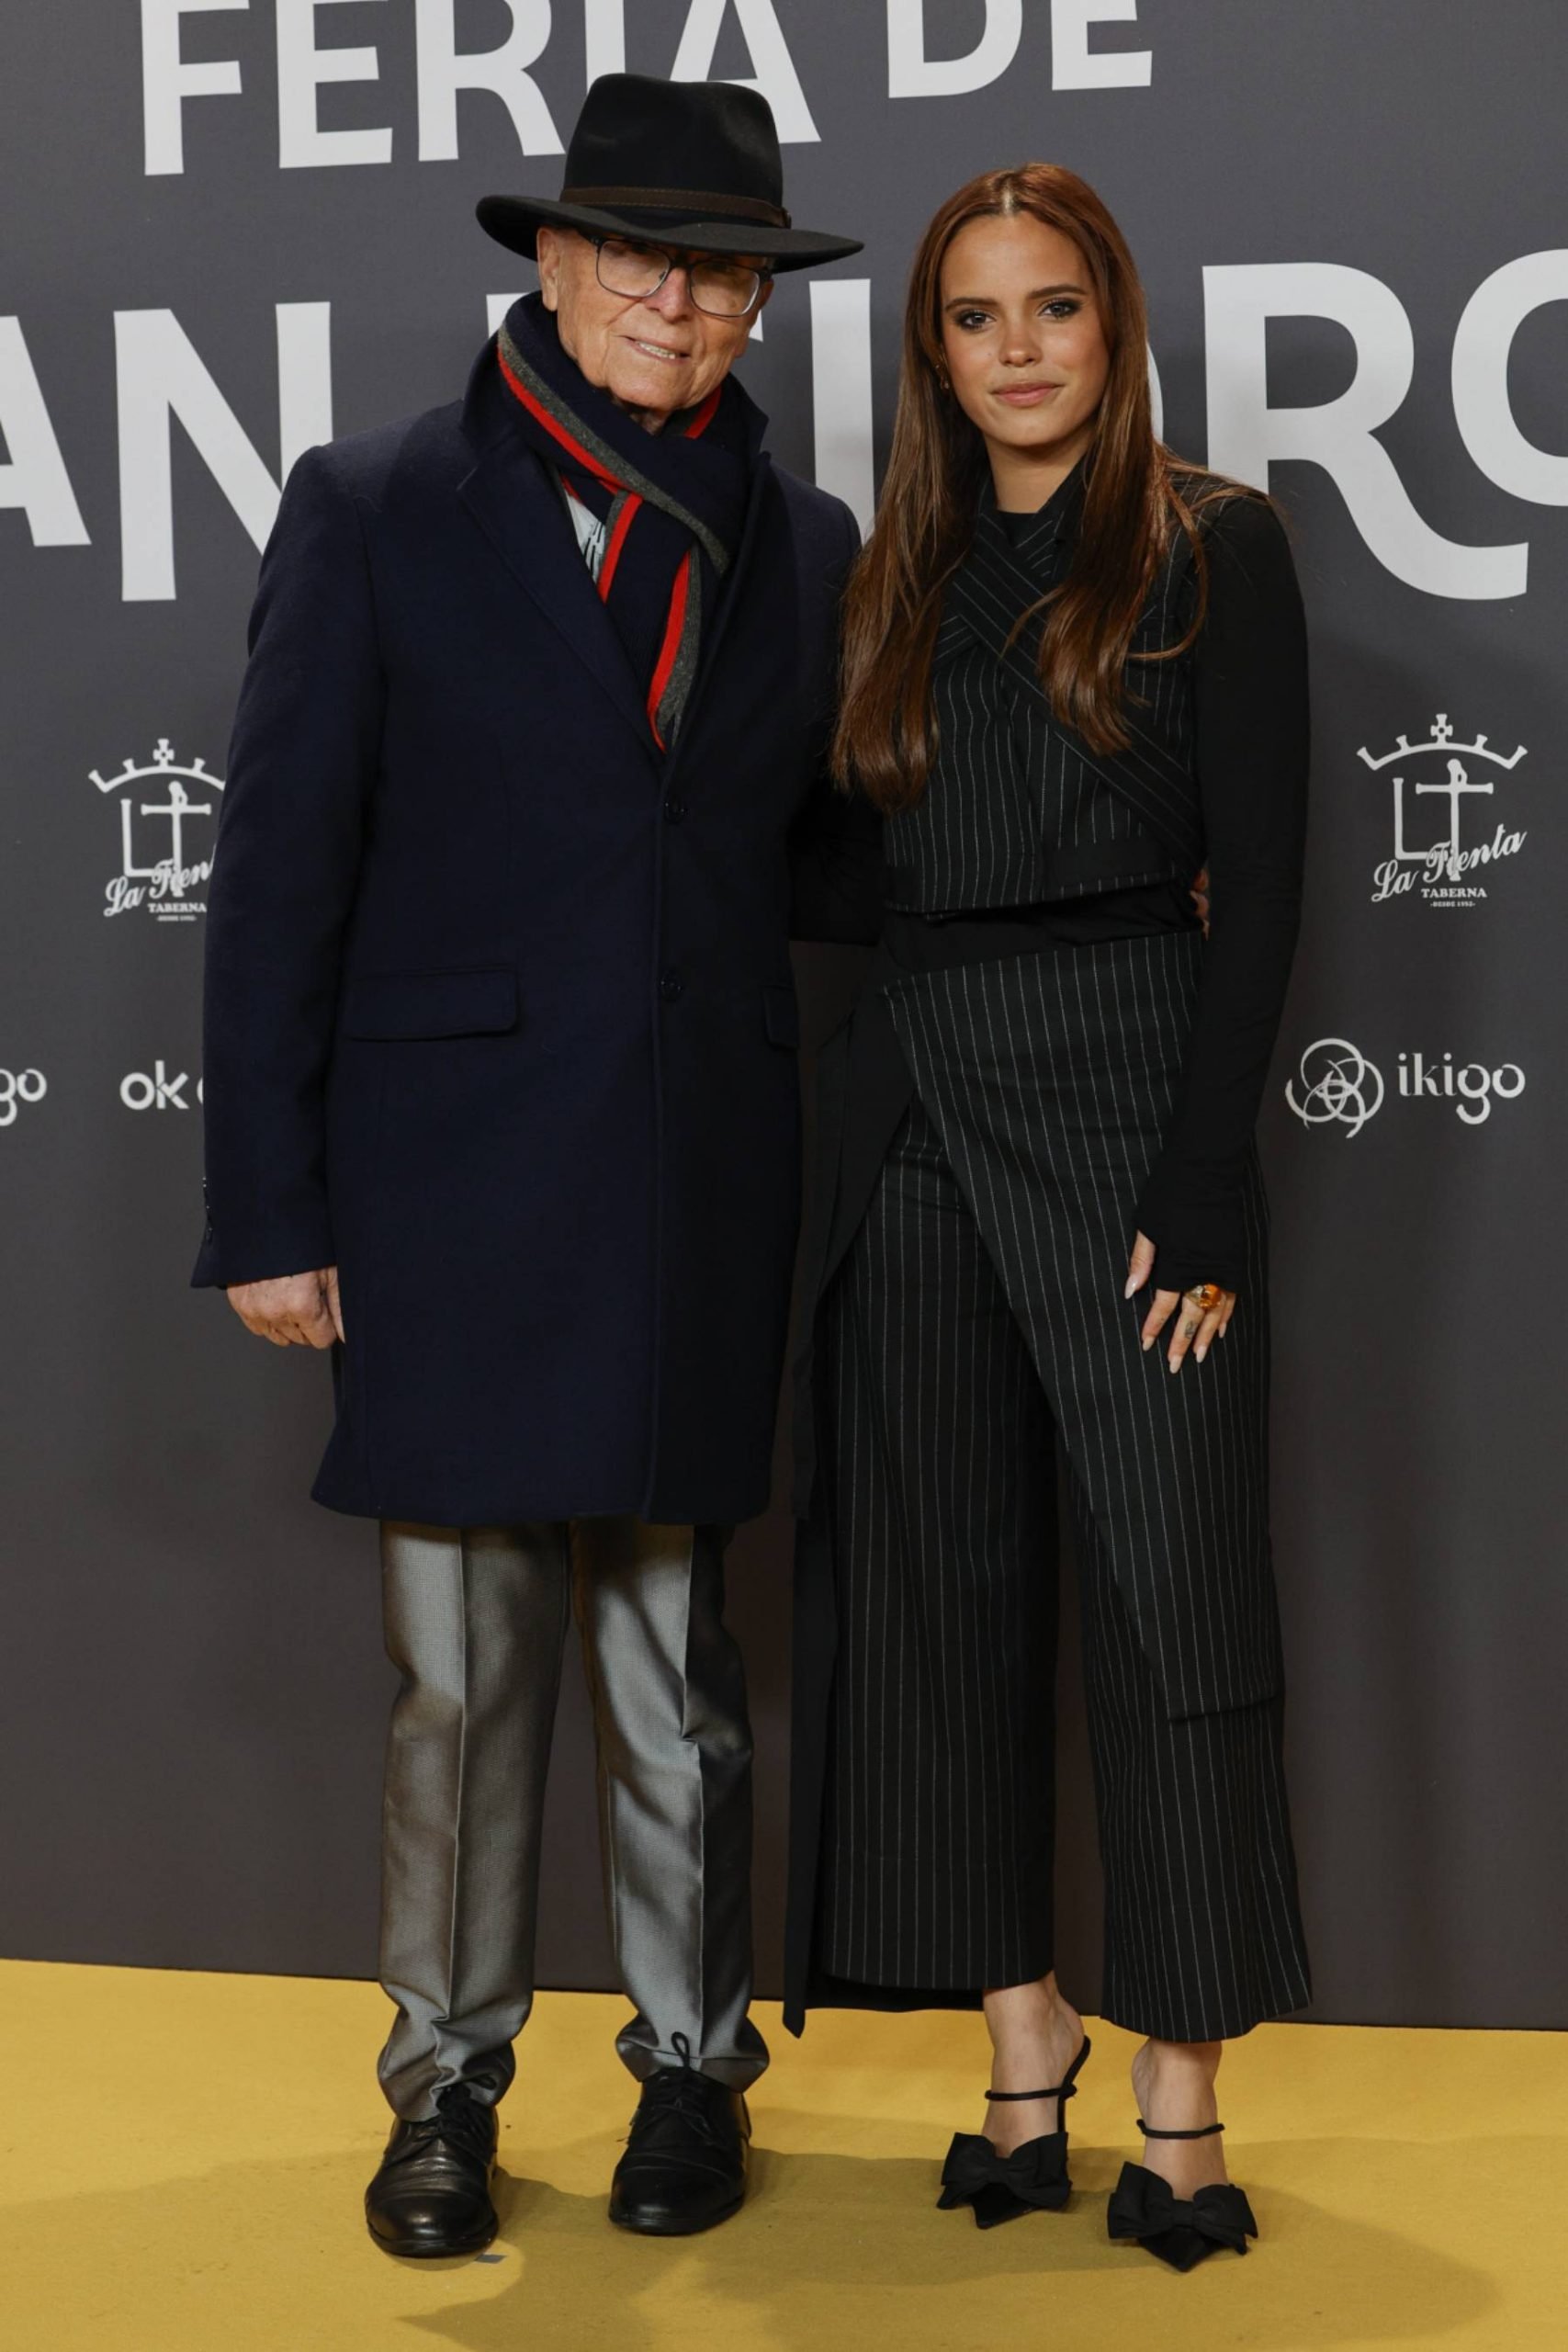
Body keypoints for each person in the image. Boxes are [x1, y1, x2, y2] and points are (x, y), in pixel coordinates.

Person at [194, 74, 871, 2254]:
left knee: (678, 1679)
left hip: (690, 1170)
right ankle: (445, 2089)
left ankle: (688, 2067)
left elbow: (812, 858)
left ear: (758, 307)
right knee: (464, 1691)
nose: (684, 303)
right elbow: (277, 880)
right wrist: (270, 1210)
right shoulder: (376, 500)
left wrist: (1107, 872)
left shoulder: (808, 540)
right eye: (645, 256)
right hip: (450, 1187)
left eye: (726, 273)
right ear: (557, 262)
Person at [783, 163, 1313, 2273]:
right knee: (934, 1593)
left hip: (1126, 1097)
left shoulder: (1208, 542)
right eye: (971, 315)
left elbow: (1261, 885)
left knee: (1173, 1593)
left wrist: (1203, 1184)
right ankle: (1021, 2037)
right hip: (910, 1102)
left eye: (1051, 305)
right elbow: (837, 873)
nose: (1014, 349)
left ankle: (1180, 2091)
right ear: (929, 353)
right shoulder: (887, 578)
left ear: (1113, 323)